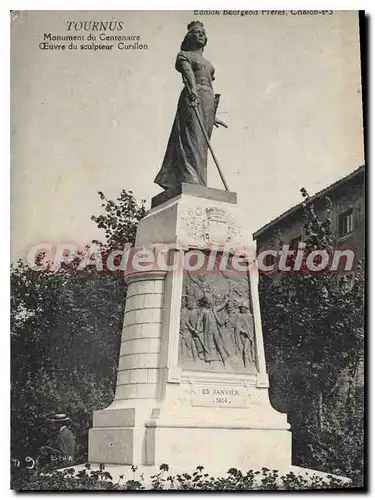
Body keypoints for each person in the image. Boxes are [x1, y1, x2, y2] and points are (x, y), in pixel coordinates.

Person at [154, 21, 224, 190]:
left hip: (207, 100)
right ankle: (190, 178)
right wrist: (192, 91)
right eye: (197, 32)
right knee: (192, 138)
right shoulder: (184, 55)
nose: (201, 35)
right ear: (190, 36)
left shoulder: (207, 63)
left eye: (203, 33)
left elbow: (210, 83)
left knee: (202, 144)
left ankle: (200, 181)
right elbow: (188, 74)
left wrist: (212, 112)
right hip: (193, 96)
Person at [193, 293, 230, 366]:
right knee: (209, 346)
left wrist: (226, 301)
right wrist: (197, 329)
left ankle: (225, 360)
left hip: (215, 330)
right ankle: (210, 362)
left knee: (219, 345)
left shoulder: (214, 309)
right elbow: (199, 320)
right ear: (205, 303)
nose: (209, 303)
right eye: (208, 302)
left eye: (210, 302)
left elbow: (221, 306)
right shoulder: (203, 310)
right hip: (207, 331)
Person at [234, 301, 256, 369]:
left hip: (249, 335)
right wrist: (243, 331)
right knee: (244, 349)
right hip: (242, 335)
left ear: (246, 308)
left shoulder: (250, 316)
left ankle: (247, 365)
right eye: (241, 308)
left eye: (244, 308)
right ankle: (247, 363)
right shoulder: (239, 316)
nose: (242, 309)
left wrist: (249, 333)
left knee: (245, 350)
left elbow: (252, 326)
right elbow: (237, 326)